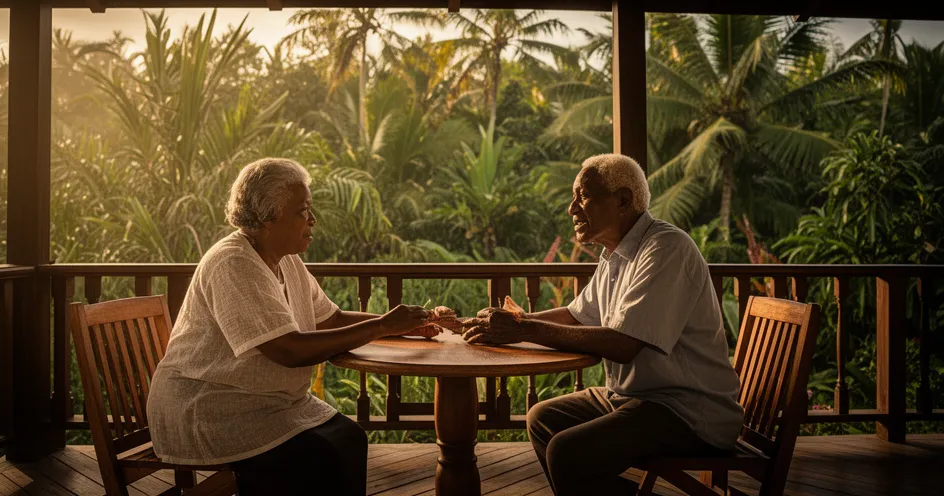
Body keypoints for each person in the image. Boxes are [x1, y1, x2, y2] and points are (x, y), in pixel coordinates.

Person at [146, 158, 434, 496]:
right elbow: (287, 350)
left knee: (349, 437)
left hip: (267, 403)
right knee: (317, 457)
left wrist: (403, 326)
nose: (313, 220)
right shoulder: (233, 262)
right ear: (268, 217)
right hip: (210, 408)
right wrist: (382, 325)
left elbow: (332, 320)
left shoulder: (287, 260)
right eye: (303, 210)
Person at [461, 153, 743, 495]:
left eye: (583, 197)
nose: (571, 209)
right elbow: (577, 314)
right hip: (636, 398)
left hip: (686, 410)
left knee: (567, 452)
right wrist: (513, 321)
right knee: (542, 419)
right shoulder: (616, 255)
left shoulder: (666, 248)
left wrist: (522, 330)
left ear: (623, 200)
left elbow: (624, 344)